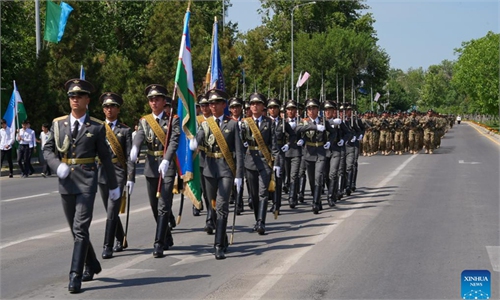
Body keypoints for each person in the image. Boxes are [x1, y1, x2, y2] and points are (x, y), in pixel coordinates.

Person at [44, 79, 120, 293]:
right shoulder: (58, 124)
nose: (74, 99)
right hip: (66, 180)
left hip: (87, 180)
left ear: (87, 99)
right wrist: (56, 165)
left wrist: (113, 185)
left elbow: (105, 157)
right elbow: (48, 150)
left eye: (79, 96)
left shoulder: (96, 126)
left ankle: (75, 275)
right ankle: (93, 263)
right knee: (75, 229)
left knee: (80, 228)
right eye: (71, 96)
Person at [193, 89, 244, 259]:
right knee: (212, 207)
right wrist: (194, 142)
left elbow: (238, 151)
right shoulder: (205, 124)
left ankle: (218, 245)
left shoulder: (232, 124)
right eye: (210, 104)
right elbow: (200, 137)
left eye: (216, 103)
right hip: (209, 169)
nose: (212, 106)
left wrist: (239, 175)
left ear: (224, 105)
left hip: (226, 170)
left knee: (222, 206)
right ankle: (222, 236)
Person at [130, 84, 180, 258]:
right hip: (151, 166)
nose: (154, 102)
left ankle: (158, 243)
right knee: (154, 206)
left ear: (164, 100)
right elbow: (140, 136)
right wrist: (135, 147)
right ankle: (167, 235)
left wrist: (166, 159)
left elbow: (174, 142)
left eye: (157, 99)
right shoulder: (145, 121)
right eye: (151, 100)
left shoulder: (173, 119)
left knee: (164, 205)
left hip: (167, 166)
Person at [98, 92, 136, 259]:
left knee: (113, 209)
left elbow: (129, 156)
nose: (109, 109)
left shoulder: (125, 130)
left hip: (118, 172)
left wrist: (131, 177)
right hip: (102, 172)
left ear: (118, 109)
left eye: (112, 106)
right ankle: (121, 238)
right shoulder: (98, 128)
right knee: (109, 209)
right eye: (106, 106)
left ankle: (108, 245)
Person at [240, 92, 279, 234]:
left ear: (263, 106)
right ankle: (257, 219)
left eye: (257, 104)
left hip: (264, 160)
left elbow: (274, 144)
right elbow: (240, 143)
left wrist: (277, 162)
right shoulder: (244, 123)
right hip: (250, 160)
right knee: (254, 194)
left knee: (263, 193)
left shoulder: (270, 123)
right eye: (252, 104)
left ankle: (261, 222)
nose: (255, 106)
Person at [297, 98, 337, 213]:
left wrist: (329, 141)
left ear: (318, 110)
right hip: (308, 152)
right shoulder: (304, 121)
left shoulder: (323, 121)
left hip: (320, 151)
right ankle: (318, 199)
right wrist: (313, 127)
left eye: (314, 108)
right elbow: (297, 129)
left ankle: (315, 203)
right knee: (311, 179)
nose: (311, 111)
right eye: (309, 109)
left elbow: (333, 132)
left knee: (318, 176)